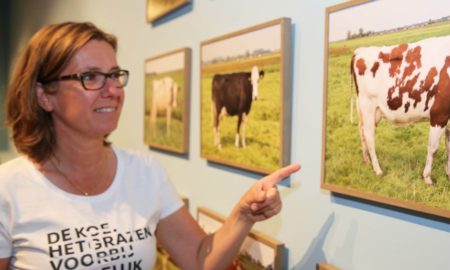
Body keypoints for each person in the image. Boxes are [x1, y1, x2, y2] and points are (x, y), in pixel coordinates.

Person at [0, 21, 300, 270]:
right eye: (90, 77)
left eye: (115, 75)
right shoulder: (8, 189)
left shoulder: (143, 172)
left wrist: (245, 213)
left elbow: (199, 258)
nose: (113, 89)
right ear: (44, 96)